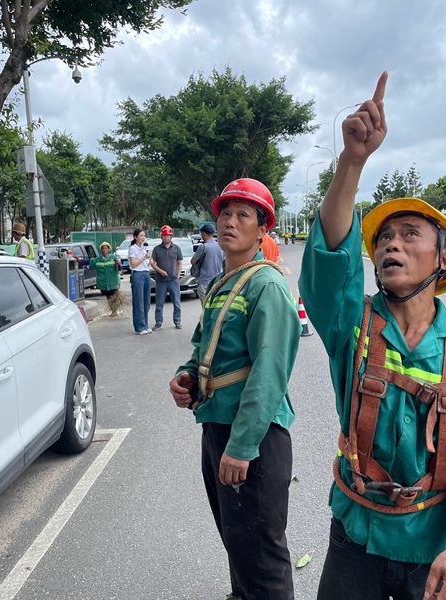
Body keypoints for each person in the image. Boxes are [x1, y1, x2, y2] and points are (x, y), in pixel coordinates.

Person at [299, 72, 446, 600]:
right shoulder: (352, 326)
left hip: (433, 550)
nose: (390, 246)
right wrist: (352, 160)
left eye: (408, 235)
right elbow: (330, 260)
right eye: (384, 239)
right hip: (357, 539)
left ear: (443, 259)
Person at [168, 178, 301, 600]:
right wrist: (187, 375)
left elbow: (270, 372)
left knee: (262, 553)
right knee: (238, 540)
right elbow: (205, 348)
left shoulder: (267, 286)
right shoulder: (226, 284)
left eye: (243, 214)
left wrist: (243, 447)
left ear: (263, 229)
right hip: (218, 426)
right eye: (225, 213)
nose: (230, 221)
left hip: (253, 438)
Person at [150, 225, 183, 330]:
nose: (166, 238)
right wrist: (160, 271)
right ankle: (158, 323)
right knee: (159, 303)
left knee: (177, 303)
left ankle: (177, 321)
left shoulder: (177, 248)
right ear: (161, 236)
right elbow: (152, 263)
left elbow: (180, 263)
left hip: (173, 281)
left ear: (171, 236)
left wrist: (177, 276)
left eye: (168, 236)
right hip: (161, 281)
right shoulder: (156, 249)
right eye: (164, 236)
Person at [191, 222, 224, 306]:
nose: (201, 235)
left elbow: (192, 261)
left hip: (204, 282)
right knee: (214, 306)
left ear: (204, 233)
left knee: (206, 307)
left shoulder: (203, 247)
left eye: (201, 233)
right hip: (217, 282)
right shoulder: (221, 246)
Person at [128, 228, 152, 335]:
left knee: (146, 301)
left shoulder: (145, 248)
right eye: (141, 235)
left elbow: (146, 261)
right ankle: (139, 327)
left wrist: (150, 260)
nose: (143, 237)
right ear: (135, 237)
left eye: (144, 235)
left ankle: (145, 325)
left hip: (146, 273)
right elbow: (133, 264)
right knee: (139, 302)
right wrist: (144, 257)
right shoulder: (132, 249)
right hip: (138, 274)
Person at [91, 241, 123, 317]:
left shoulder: (113, 258)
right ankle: (113, 310)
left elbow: (119, 268)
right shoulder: (98, 260)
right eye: (103, 248)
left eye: (106, 248)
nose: (104, 250)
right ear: (101, 250)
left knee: (115, 296)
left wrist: (118, 264)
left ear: (108, 249)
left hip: (113, 281)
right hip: (104, 283)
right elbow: (90, 263)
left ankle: (115, 310)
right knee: (108, 297)